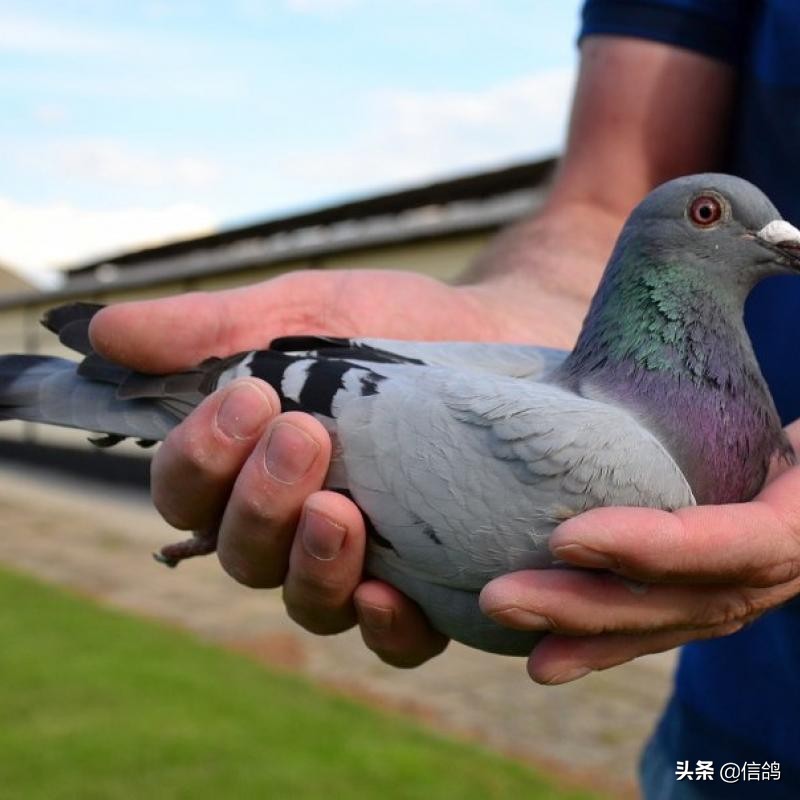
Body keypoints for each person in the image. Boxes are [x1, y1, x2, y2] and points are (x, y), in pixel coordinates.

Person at [88, 1, 800, 796]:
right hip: (734, 754)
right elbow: (607, 187)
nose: (779, 238)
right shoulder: (615, 465)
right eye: (711, 216)